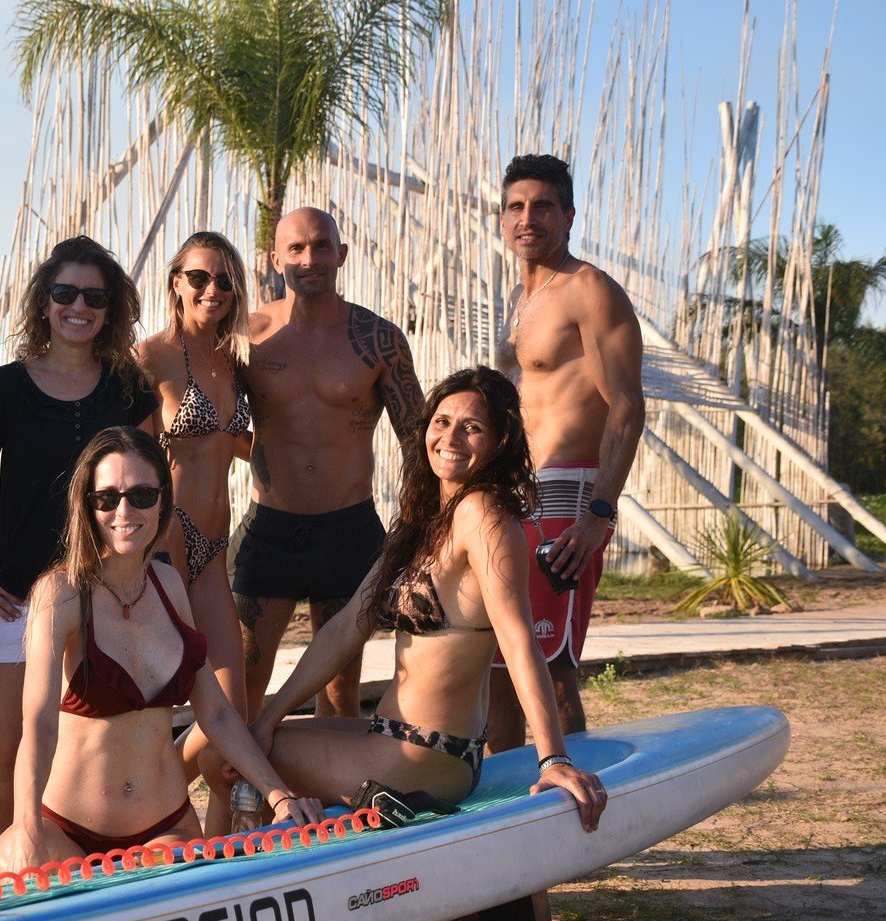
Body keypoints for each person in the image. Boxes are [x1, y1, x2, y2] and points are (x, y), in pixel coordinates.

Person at [207, 368, 606, 833]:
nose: (451, 436)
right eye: (442, 422)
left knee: (222, 755)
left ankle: (224, 874)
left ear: (499, 443)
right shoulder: (426, 518)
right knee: (240, 741)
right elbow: (345, 629)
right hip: (391, 737)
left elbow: (518, 639)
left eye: (472, 427)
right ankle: (247, 857)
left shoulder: (483, 514)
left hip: (428, 757)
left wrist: (552, 758)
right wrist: (269, 718)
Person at [0, 426, 325, 873]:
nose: (123, 510)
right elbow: (38, 725)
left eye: (142, 495)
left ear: (163, 500)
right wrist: (28, 829)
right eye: (107, 498)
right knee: (12, 860)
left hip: (165, 828)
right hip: (65, 830)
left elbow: (218, 713)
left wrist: (278, 795)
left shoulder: (168, 585)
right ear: (87, 506)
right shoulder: (62, 593)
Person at [0, 236, 158, 872]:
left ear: (111, 309)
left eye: (94, 297)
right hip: (17, 593)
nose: (79, 306)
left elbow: (155, 482)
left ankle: (74, 856)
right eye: (65, 293)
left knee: (87, 742)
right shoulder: (8, 386)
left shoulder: (128, 385)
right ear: (44, 302)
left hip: (103, 593)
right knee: (8, 745)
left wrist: (154, 579)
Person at [233, 207, 423, 720]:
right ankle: (247, 796)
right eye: (295, 248)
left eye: (321, 246)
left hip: (348, 529)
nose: (309, 258)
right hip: (269, 528)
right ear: (276, 259)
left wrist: (421, 527)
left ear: (341, 254)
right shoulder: (246, 337)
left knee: (340, 692)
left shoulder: (380, 339)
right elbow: (204, 424)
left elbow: (418, 441)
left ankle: (333, 798)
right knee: (245, 679)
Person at [487, 154, 644, 753]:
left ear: (569, 215)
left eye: (543, 206)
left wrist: (598, 513)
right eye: (516, 207)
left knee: (553, 672)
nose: (529, 218)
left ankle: (584, 833)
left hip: (567, 500)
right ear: (502, 219)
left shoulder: (588, 289)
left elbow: (627, 405)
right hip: (515, 497)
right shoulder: (522, 299)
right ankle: (502, 825)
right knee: (500, 669)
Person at [135, 231, 253, 835]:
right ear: (177, 281)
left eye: (226, 280)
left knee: (230, 706)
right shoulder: (149, 357)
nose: (213, 290)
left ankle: (211, 837)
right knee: (159, 705)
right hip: (169, 540)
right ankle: (143, 817)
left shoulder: (232, 361)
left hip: (215, 545)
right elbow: (123, 457)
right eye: (200, 277)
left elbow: (241, 446)